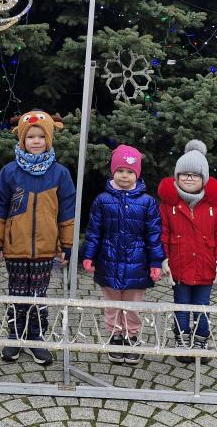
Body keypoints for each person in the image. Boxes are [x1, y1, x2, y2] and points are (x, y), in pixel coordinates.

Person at [0, 110, 76, 366]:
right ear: (22, 139)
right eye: (31, 137)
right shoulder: (9, 172)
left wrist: (67, 244)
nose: (36, 141)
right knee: (17, 293)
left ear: (49, 138)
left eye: (41, 136)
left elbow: (67, 209)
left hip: (46, 247)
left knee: (38, 294)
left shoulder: (60, 173)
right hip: (15, 245)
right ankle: (15, 336)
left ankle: (36, 337)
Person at [81, 144, 164, 365]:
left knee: (133, 305)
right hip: (108, 262)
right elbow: (94, 231)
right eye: (120, 171)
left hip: (138, 264)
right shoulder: (102, 200)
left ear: (137, 174)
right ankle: (115, 335)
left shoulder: (147, 202)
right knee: (112, 305)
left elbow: (154, 235)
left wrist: (156, 262)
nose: (124, 176)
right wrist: (89, 255)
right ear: (113, 172)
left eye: (129, 171)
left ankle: (132, 336)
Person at [158, 139, 217, 364]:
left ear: (204, 179)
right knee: (181, 306)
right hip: (179, 267)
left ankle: (201, 339)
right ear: (177, 176)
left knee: (202, 306)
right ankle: (182, 339)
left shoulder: (214, 205)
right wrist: (163, 259)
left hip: (205, 267)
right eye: (184, 174)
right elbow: (162, 233)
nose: (189, 178)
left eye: (195, 175)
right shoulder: (168, 205)